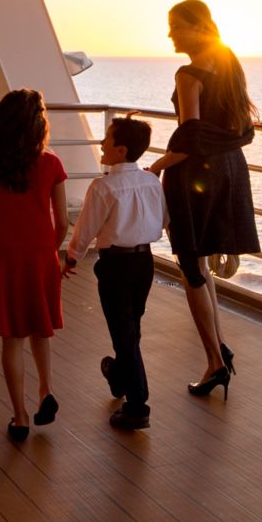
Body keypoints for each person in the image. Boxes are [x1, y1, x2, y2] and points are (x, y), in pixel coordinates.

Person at [147, 0, 260, 400]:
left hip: (196, 174)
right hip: (230, 168)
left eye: (176, 26)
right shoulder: (228, 62)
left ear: (197, 26)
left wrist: (156, 165)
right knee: (200, 262)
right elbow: (235, 125)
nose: (170, 34)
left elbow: (190, 137)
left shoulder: (188, 74)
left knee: (191, 265)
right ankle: (220, 348)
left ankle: (214, 362)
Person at [0, 89, 69, 441]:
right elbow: (63, 222)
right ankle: (46, 390)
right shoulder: (51, 163)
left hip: (6, 258)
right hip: (42, 257)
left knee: (12, 338)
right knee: (40, 329)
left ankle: (20, 418)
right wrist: (51, 252)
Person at [63, 115, 166, 430]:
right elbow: (163, 220)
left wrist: (71, 258)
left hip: (115, 265)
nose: (101, 143)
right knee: (132, 326)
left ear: (120, 150)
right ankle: (119, 376)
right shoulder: (152, 181)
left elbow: (86, 229)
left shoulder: (103, 186)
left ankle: (137, 406)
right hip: (144, 262)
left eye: (106, 138)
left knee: (123, 332)